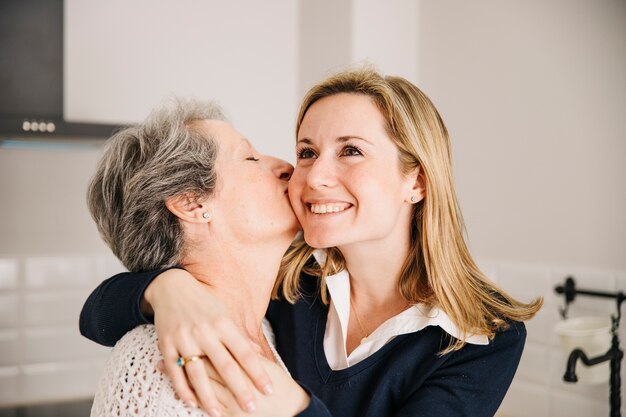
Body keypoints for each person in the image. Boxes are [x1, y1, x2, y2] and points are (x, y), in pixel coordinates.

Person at [80, 68, 542, 417]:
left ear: (416, 181)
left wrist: (288, 404)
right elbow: (98, 313)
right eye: (307, 152)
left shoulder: (484, 335)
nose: (311, 176)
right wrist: (165, 290)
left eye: (351, 151)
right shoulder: (286, 281)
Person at [84, 98, 326, 417]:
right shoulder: (157, 361)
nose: (287, 167)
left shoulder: (271, 327)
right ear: (192, 204)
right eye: (250, 157)